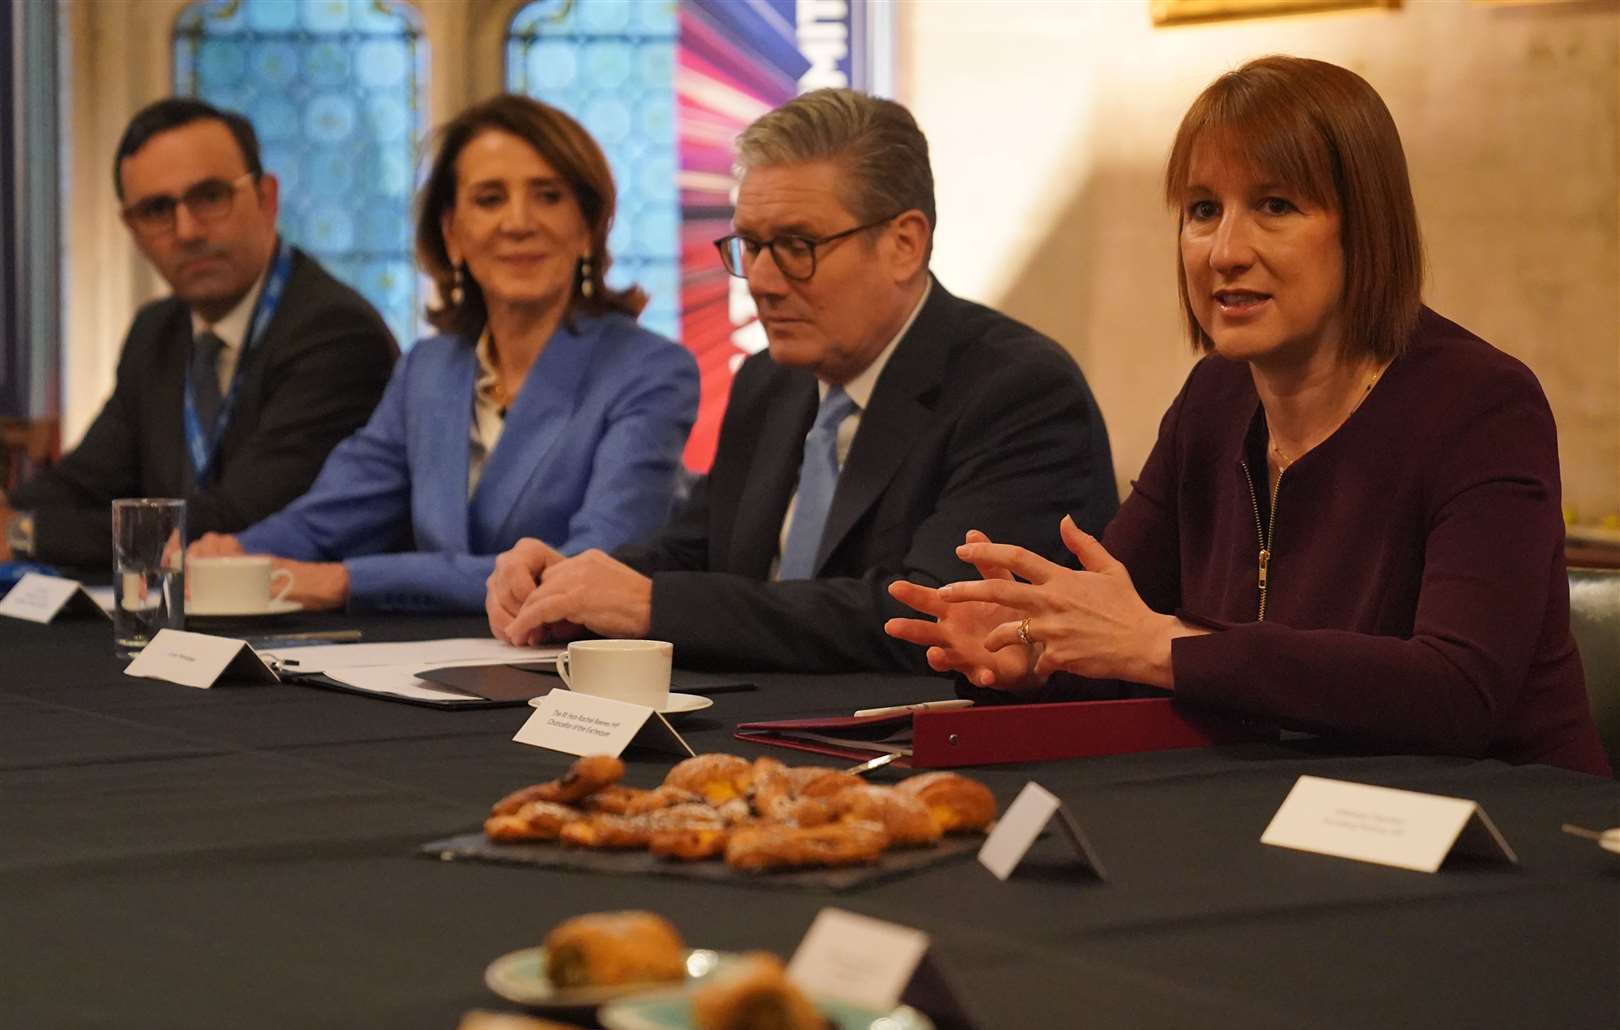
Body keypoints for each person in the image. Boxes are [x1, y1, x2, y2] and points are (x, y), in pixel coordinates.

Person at [886, 56, 1608, 776]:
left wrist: (1162, 646)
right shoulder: (1213, 400)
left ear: (1365, 229)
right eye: (1204, 211)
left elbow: (1456, 692)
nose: (1226, 252)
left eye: (1276, 207)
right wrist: (1037, 652)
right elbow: (1127, 644)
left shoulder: (1481, 404)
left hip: (1510, 840)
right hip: (1273, 812)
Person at [485, 88, 1117, 671]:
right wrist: (570, 582)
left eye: (796, 246)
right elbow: (696, 549)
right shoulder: (770, 379)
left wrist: (653, 606)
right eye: (750, 246)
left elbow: (929, 617)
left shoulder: (1017, 390)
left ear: (904, 244)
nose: (760, 280)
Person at [189, 95, 698, 613]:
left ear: (589, 227)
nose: (518, 222)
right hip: (427, 669)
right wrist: (238, 553)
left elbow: (592, 564)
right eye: (490, 199)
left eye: (548, 196)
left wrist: (347, 581)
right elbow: (329, 516)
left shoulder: (651, 371)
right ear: (452, 233)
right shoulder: (428, 369)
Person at [0, 98, 397, 568]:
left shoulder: (337, 335)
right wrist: (14, 512)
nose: (186, 231)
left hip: (310, 628)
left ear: (266, 199)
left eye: (210, 197)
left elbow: (242, 516)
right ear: (132, 229)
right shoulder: (157, 331)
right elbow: (87, 480)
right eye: (157, 209)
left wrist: (25, 533)